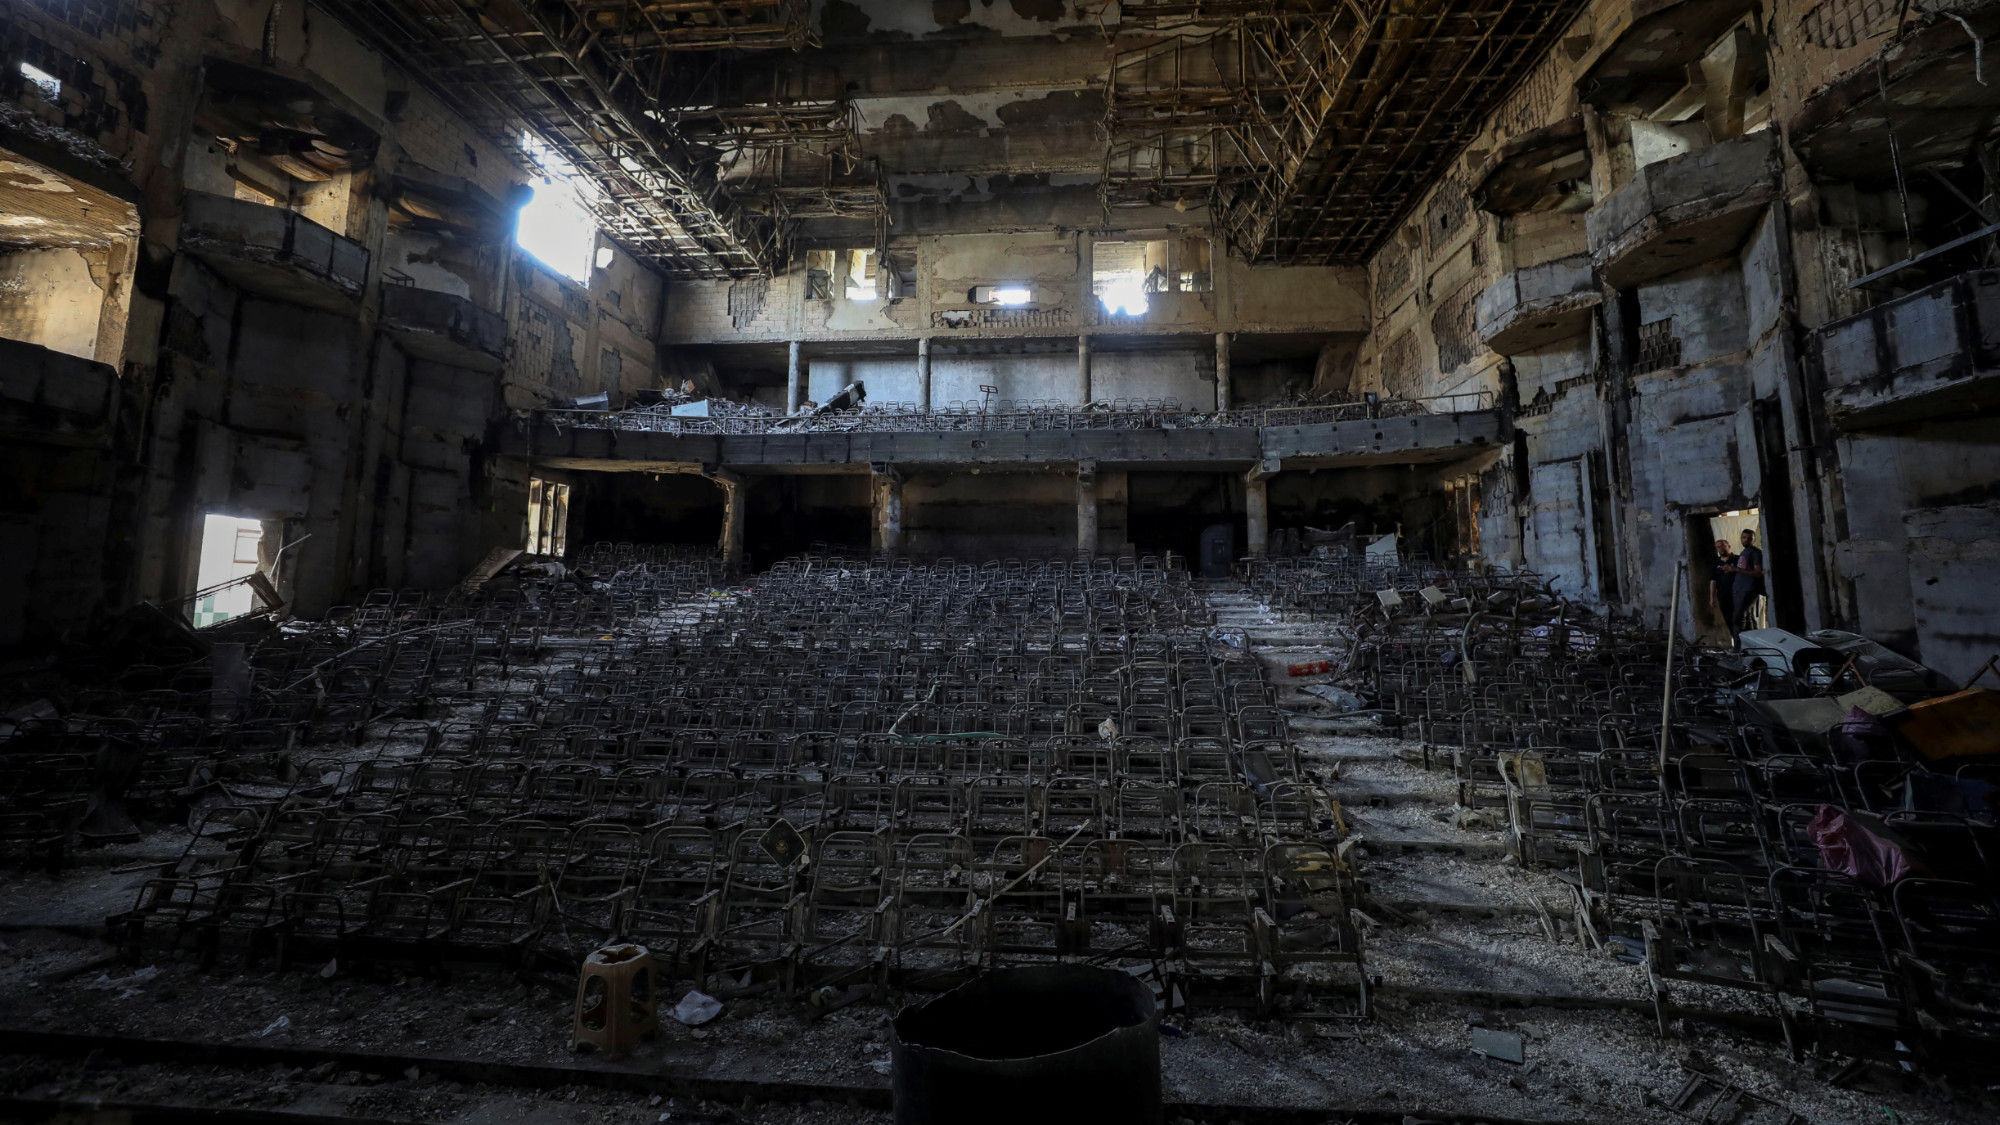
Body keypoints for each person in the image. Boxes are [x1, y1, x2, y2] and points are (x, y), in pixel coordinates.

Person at [1722, 528, 1766, 638]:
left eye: (1749, 538)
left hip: (1748, 589)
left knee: (1738, 618)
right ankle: (1749, 645)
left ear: (1753, 539)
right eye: (1744, 537)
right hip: (1740, 589)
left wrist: (1735, 569)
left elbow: (1758, 572)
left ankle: (1739, 646)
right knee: (1746, 618)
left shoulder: (1755, 553)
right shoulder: (1744, 552)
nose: (1746, 540)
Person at [1708, 538, 1738, 633]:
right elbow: (1713, 581)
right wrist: (1712, 598)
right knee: (1729, 619)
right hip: (1723, 595)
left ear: (1729, 546)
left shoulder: (1738, 559)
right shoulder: (1715, 563)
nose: (1721, 548)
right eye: (1718, 547)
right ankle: (1737, 642)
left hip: (1739, 594)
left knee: (1742, 618)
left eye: (1723, 546)